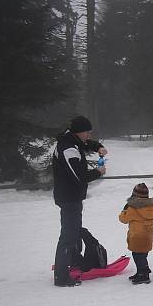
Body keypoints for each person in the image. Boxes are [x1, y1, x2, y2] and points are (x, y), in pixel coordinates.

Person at [52, 115, 107, 287]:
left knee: (74, 233)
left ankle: (74, 262)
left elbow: (84, 144)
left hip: (72, 197)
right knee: (68, 236)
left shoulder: (72, 141)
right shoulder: (68, 148)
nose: (89, 136)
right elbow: (79, 176)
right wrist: (98, 172)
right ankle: (61, 277)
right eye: (87, 133)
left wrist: (98, 147)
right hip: (68, 198)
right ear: (79, 132)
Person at [118, 183, 153, 284]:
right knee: (142, 255)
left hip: (137, 237)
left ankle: (144, 275)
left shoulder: (133, 209)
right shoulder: (152, 207)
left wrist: (125, 209)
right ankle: (140, 272)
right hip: (147, 236)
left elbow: (123, 219)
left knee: (138, 256)